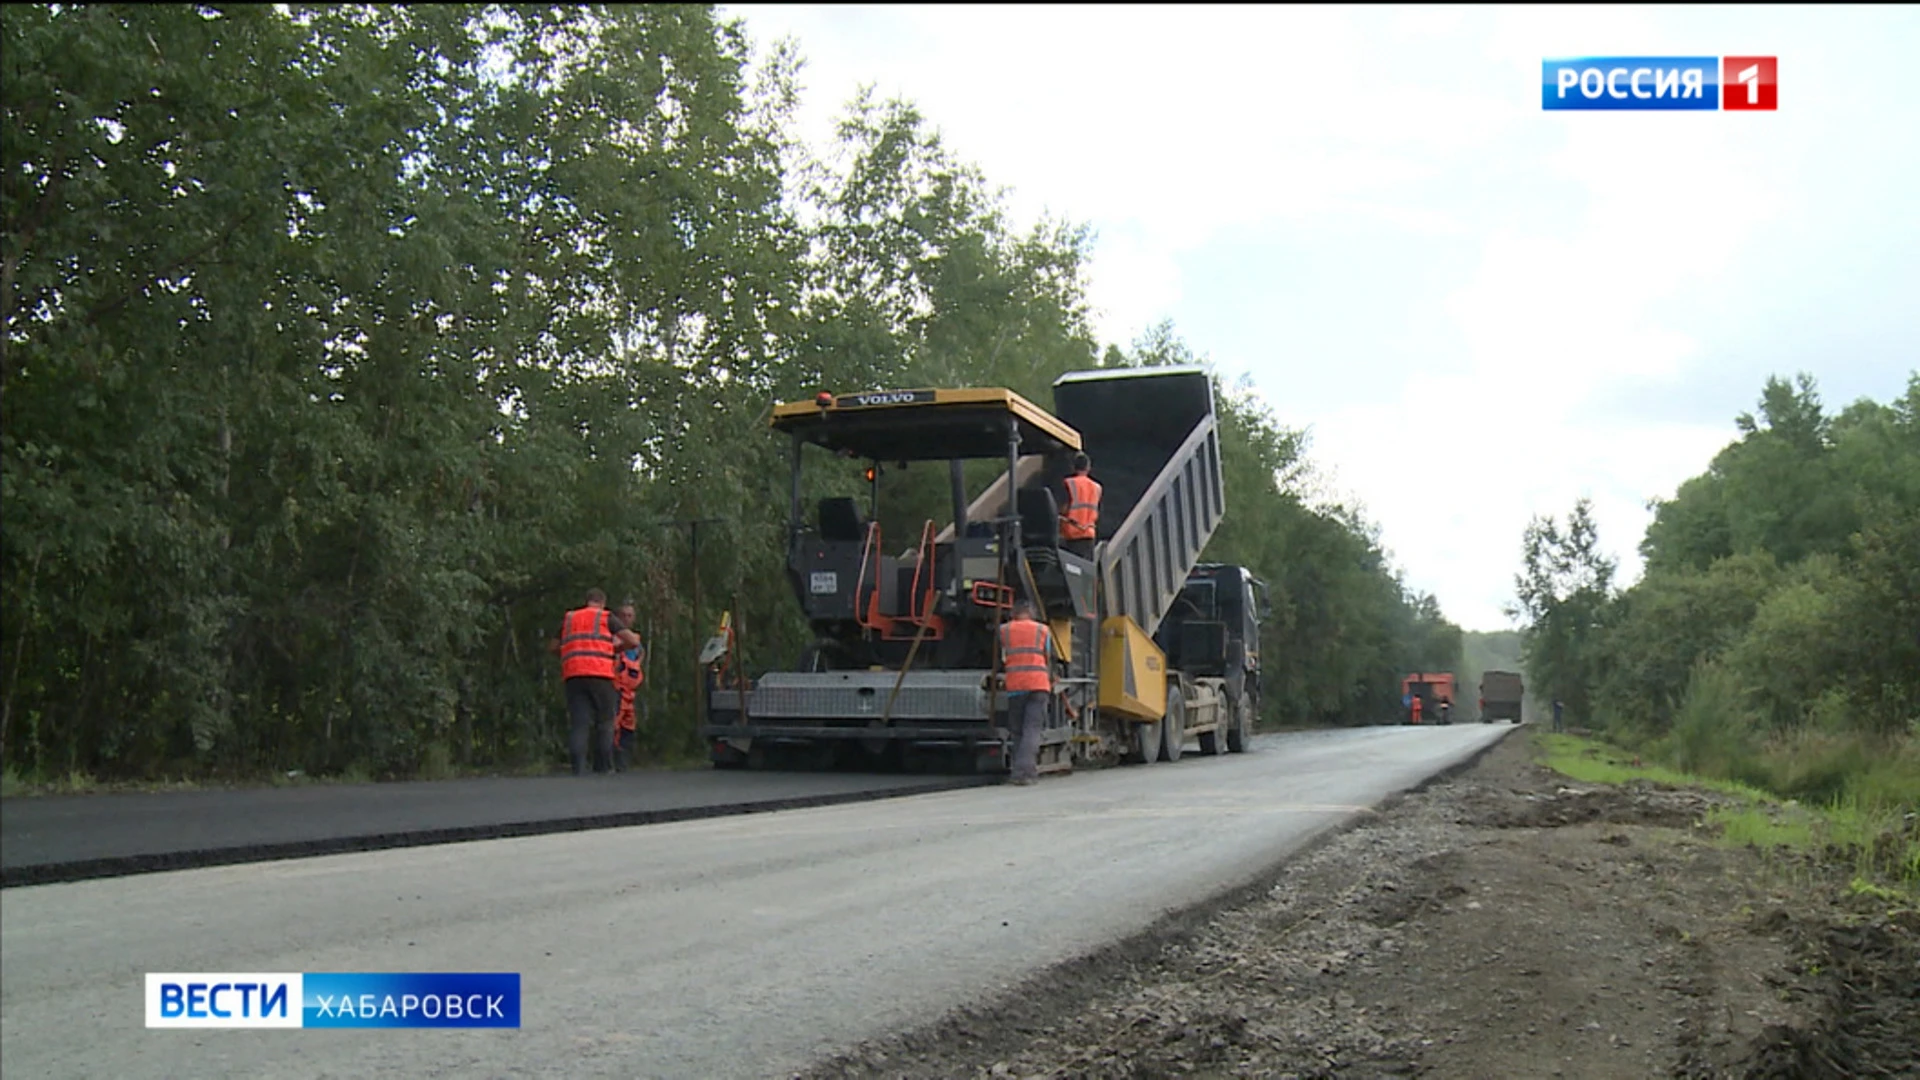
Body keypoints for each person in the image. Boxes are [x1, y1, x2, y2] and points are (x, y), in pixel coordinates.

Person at [553, 588, 640, 776]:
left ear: (587, 601)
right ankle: (602, 766)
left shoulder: (569, 618)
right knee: (605, 721)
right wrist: (613, 650)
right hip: (600, 673)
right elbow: (632, 641)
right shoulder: (605, 617)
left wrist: (571, 654)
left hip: (573, 675)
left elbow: (553, 646)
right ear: (602, 602)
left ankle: (578, 767)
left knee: (579, 722)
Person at [997, 601, 1052, 785]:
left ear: (1014, 613)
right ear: (1032, 613)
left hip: (1015, 686)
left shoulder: (1004, 630)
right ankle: (1025, 772)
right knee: (1032, 729)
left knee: (1018, 731)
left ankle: (1021, 770)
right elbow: (1048, 656)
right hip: (1038, 684)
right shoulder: (1042, 630)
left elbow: (1001, 655)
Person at [612, 602, 646, 772]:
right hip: (616, 690)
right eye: (623, 615)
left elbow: (640, 657)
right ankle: (610, 761)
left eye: (630, 615)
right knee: (613, 725)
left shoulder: (636, 641)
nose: (626, 619)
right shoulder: (613, 638)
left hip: (631, 691)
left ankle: (623, 762)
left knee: (629, 726)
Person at [1058, 452, 1102, 560]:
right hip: (1089, 534)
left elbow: (1063, 508)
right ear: (1088, 467)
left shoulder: (1069, 483)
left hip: (1071, 534)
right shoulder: (1097, 487)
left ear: (1073, 467)